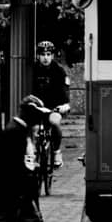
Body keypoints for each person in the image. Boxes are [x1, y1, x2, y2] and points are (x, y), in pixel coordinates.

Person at [31, 40, 70, 168]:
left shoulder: (59, 71)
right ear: (38, 56)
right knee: (33, 128)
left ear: (52, 55)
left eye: (48, 54)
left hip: (54, 107)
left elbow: (64, 91)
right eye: (43, 54)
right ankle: (32, 154)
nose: (45, 57)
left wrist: (64, 105)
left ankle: (56, 152)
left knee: (55, 123)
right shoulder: (33, 69)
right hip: (36, 107)